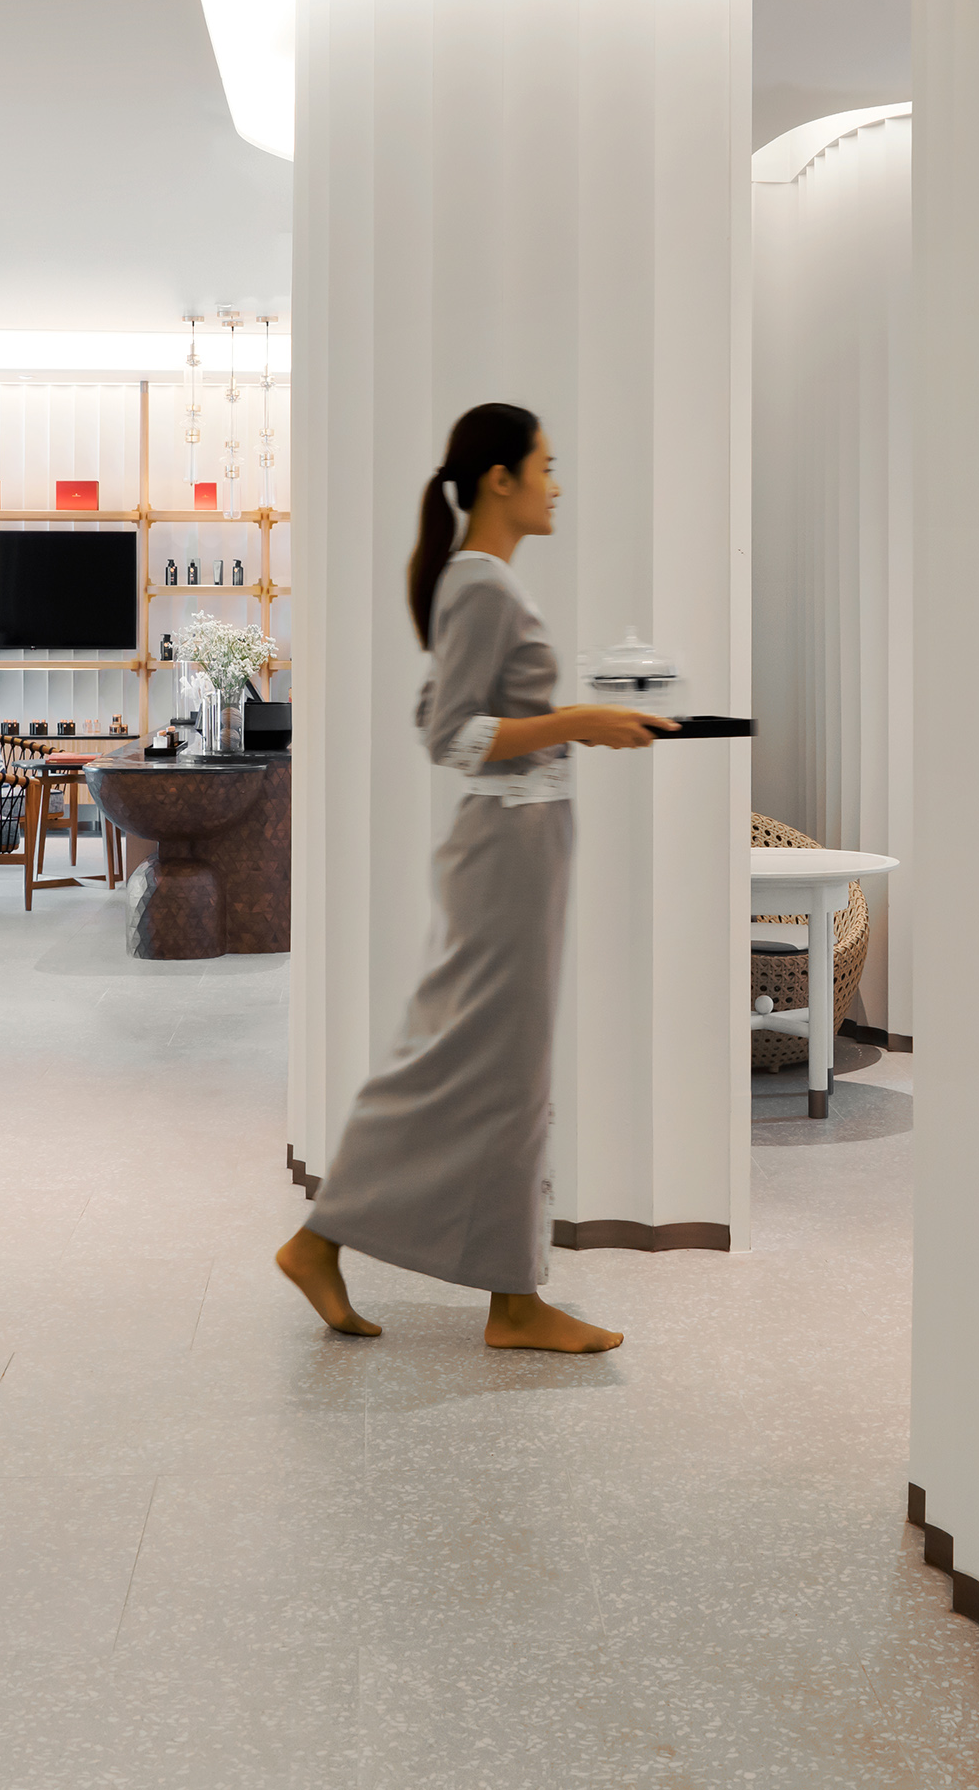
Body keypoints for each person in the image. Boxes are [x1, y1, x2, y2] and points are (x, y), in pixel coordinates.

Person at [274, 404, 671, 1353]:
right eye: (547, 464)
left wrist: (578, 723)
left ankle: (490, 1291)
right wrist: (577, 720)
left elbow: (433, 704)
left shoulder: (471, 583)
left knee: (487, 1062)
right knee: (480, 1062)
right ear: (501, 477)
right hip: (506, 849)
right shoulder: (483, 586)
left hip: (520, 843)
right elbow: (451, 735)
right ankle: (471, 1286)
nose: (557, 484)